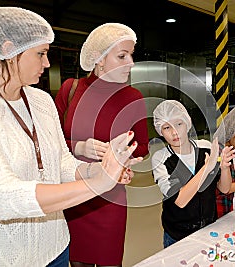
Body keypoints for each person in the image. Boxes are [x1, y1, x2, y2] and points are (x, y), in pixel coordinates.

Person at [0, 7, 142, 267]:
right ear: (8, 51)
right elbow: (0, 197)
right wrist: (98, 184)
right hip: (0, 257)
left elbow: (61, 163)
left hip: (56, 248)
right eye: (41, 54)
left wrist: (100, 169)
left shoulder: (40, 101)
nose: (47, 63)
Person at [54, 23, 149, 267]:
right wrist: (78, 147)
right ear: (99, 59)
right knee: (77, 261)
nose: (131, 63)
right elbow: (49, 142)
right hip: (73, 193)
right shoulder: (70, 90)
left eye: (131, 55)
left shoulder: (133, 98)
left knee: (109, 260)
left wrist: (122, 156)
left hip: (111, 195)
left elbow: (142, 147)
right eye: (121, 56)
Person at [151, 100, 235, 247]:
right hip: (178, 235)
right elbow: (180, 200)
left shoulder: (205, 147)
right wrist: (206, 168)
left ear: (187, 123)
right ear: (160, 131)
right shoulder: (161, 159)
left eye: (178, 124)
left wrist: (225, 167)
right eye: (166, 127)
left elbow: (224, 189)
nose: (174, 132)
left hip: (209, 228)